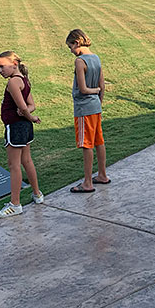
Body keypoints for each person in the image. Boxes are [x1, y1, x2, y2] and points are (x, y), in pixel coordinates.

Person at [0, 51, 44, 218]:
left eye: (2, 66)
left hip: (15, 127)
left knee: (14, 165)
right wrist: (28, 115)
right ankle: (37, 194)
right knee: (26, 160)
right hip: (24, 126)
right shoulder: (24, 79)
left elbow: (25, 108)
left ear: (14, 64)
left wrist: (30, 117)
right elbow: (31, 105)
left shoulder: (13, 83)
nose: (0, 70)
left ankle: (15, 204)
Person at [66, 29, 109, 193]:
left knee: (86, 144)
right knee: (99, 141)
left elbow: (83, 89)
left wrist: (94, 90)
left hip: (84, 109)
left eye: (70, 47)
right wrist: (99, 100)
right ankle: (102, 175)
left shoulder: (80, 61)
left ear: (77, 42)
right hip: (96, 107)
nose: (71, 51)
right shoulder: (96, 58)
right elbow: (103, 86)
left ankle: (88, 182)